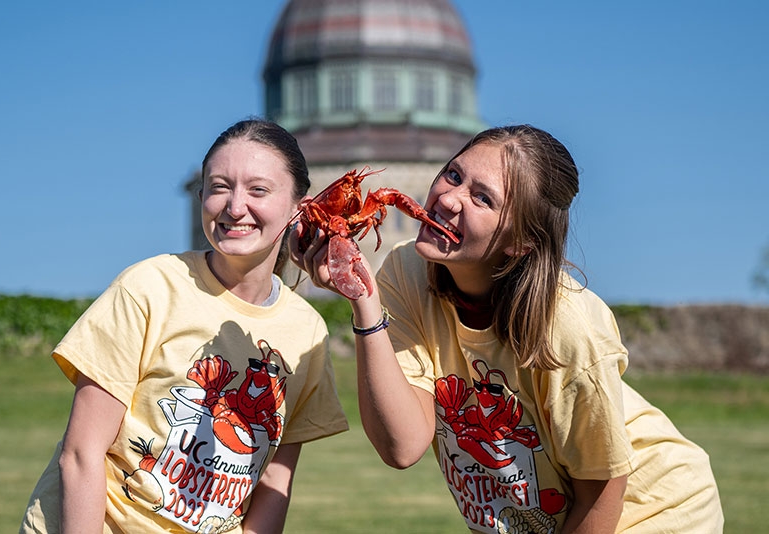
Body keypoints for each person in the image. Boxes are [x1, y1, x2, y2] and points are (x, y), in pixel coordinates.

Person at [291, 125, 723, 533]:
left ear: (520, 241)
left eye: (482, 198)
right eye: (453, 174)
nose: (450, 198)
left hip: (658, 510)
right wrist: (364, 300)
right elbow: (402, 446)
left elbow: (603, 488)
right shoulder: (406, 271)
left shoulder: (569, 327)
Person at [20, 118, 349, 534]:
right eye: (219, 187)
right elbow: (82, 454)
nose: (235, 207)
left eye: (258, 190)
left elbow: (272, 482)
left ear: (299, 208)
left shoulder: (308, 333)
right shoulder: (149, 287)